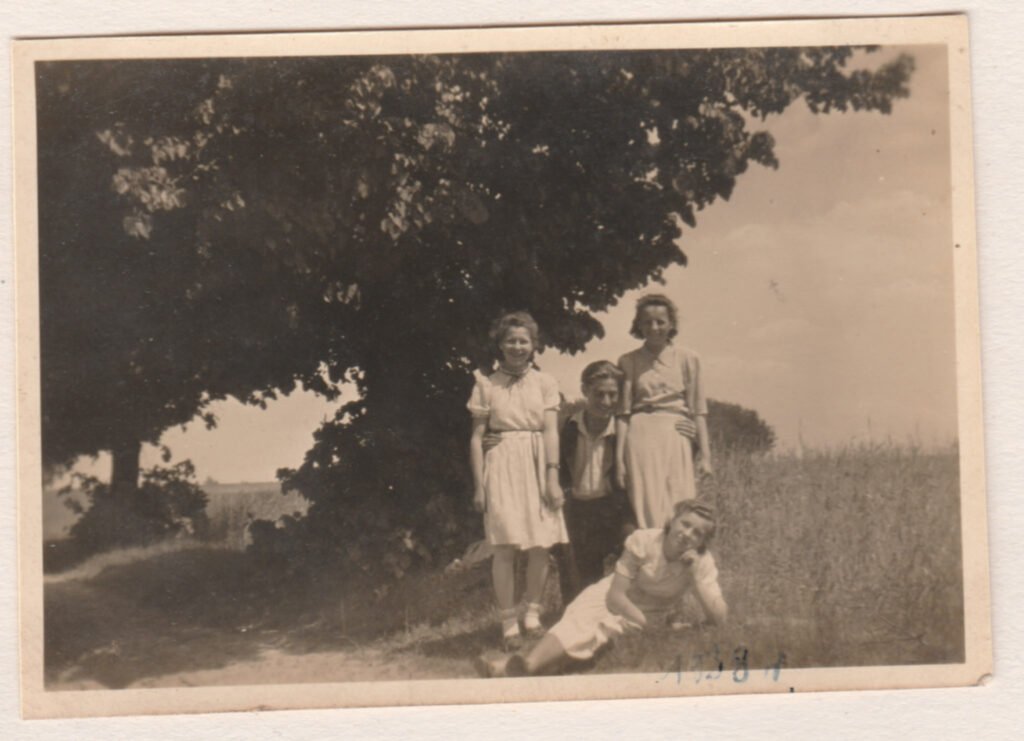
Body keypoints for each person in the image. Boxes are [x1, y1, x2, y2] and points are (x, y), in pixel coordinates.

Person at [475, 499, 726, 677]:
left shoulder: (701, 563)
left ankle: (512, 667)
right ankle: (527, 666)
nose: (687, 534)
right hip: (612, 597)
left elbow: (720, 618)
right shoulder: (645, 540)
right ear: (673, 521)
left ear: (703, 542)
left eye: (697, 533)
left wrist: (694, 575)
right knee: (582, 621)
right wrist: (646, 625)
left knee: (602, 631)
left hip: (651, 613)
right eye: (685, 524)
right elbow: (616, 597)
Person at [468, 311, 569, 649]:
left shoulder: (545, 382)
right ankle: (509, 623)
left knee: (541, 544)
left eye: (523, 341)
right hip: (501, 465)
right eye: (510, 340)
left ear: (534, 345)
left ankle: (533, 616)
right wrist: (479, 486)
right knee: (504, 547)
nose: (517, 347)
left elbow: (551, 430)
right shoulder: (486, 385)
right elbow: (476, 438)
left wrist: (552, 476)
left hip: (538, 463)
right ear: (500, 344)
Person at [615, 293, 712, 529]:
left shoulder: (688, 358)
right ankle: (650, 551)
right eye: (647, 322)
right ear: (638, 325)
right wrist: (619, 460)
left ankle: (676, 550)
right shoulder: (628, 361)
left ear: (671, 324)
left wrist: (706, 456)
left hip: (676, 433)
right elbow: (623, 414)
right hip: (640, 435)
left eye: (660, 322)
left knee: (680, 500)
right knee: (645, 502)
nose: (654, 328)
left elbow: (698, 411)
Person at [552, 360, 635, 604]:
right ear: (584, 390)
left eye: (612, 394)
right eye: (599, 394)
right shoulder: (565, 426)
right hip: (578, 511)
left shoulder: (625, 430)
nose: (606, 402)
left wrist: (690, 432)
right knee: (579, 589)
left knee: (637, 554)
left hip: (614, 509)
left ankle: (632, 611)